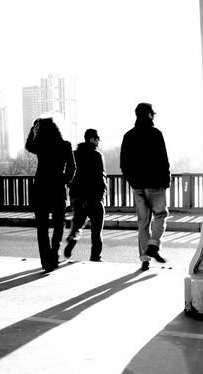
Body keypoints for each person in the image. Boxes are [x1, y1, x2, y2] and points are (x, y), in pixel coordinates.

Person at [120, 102, 170, 271]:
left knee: (143, 223)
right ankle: (153, 245)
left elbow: (124, 164)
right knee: (160, 215)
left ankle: (144, 259)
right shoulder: (156, 134)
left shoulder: (128, 136)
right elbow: (163, 159)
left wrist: (133, 182)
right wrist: (166, 181)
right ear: (149, 115)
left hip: (138, 187)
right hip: (155, 184)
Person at [25, 117, 75, 272]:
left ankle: (46, 262)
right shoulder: (65, 145)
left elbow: (28, 145)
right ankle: (54, 254)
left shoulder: (40, 145)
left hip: (40, 189)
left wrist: (32, 131)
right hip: (57, 190)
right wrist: (64, 180)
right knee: (59, 224)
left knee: (42, 228)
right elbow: (72, 168)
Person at [63, 128, 108, 262]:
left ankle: (73, 237)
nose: (98, 141)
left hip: (79, 198)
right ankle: (95, 257)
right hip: (94, 199)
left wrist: (73, 195)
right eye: (97, 138)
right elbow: (101, 178)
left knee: (77, 225)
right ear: (92, 139)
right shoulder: (97, 155)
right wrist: (101, 196)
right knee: (96, 232)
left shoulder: (75, 154)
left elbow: (69, 175)